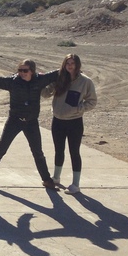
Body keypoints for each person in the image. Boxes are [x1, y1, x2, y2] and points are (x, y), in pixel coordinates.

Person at [0, 60, 59, 190]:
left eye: (25, 70)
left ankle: (46, 180)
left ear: (32, 71)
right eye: (20, 70)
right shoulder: (13, 82)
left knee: (38, 153)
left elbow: (58, 73)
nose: (21, 73)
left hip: (31, 122)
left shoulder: (40, 80)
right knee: (0, 150)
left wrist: (74, 70)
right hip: (14, 121)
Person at [42, 54, 97, 195]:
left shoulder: (86, 82)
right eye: (67, 63)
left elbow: (92, 102)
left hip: (75, 122)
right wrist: (42, 82)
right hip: (58, 121)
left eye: (72, 63)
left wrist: (78, 109)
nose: (70, 66)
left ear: (77, 65)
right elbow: (46, 94)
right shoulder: (59, 78)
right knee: (59, 150)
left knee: (74, 152)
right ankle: (56, 177)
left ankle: (75, 184)